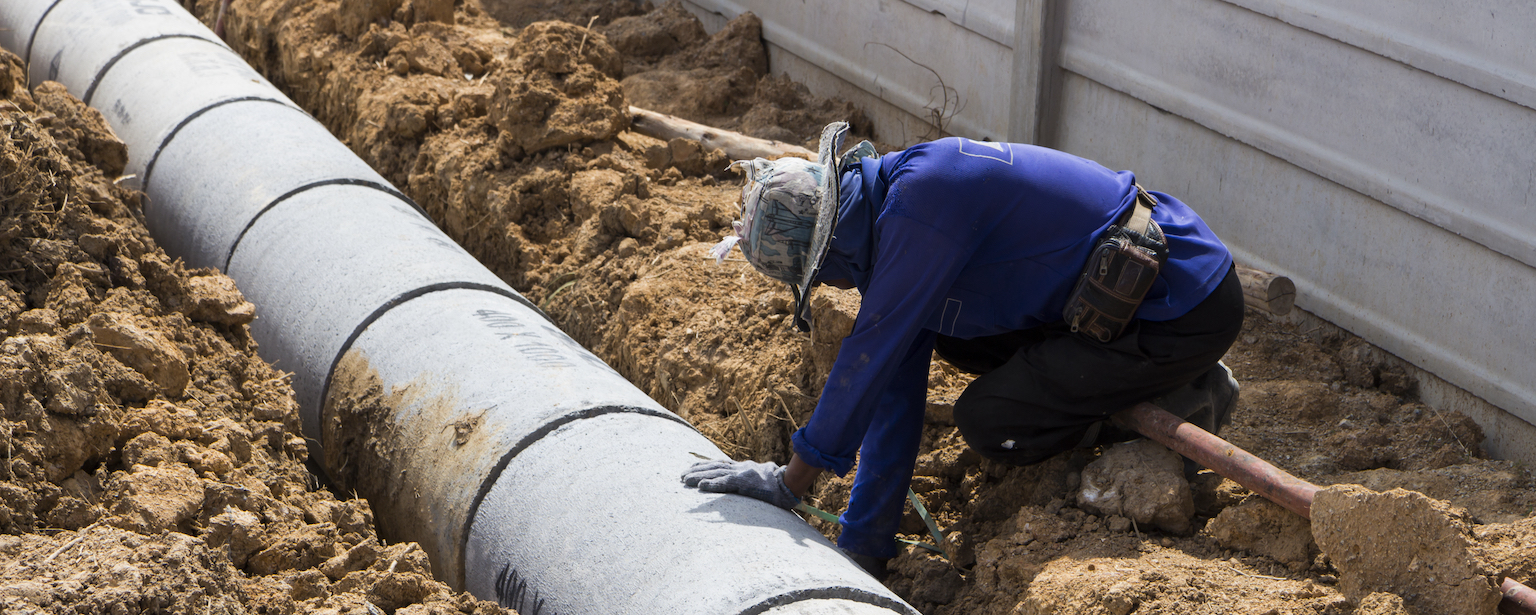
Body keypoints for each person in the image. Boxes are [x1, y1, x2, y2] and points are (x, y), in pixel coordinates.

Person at [682, 122, 1243, 579]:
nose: (830, 285)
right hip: (1116, 298)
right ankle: (1129, 378)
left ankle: (1183, 389)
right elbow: (892, 385)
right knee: (953, 334)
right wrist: (865, 545)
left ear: (829, 248)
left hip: (1181, 303)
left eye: (817, 274)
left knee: (993, 421)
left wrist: (788, 483)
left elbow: (867, 359)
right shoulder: (897, 199)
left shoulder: (921, 205)